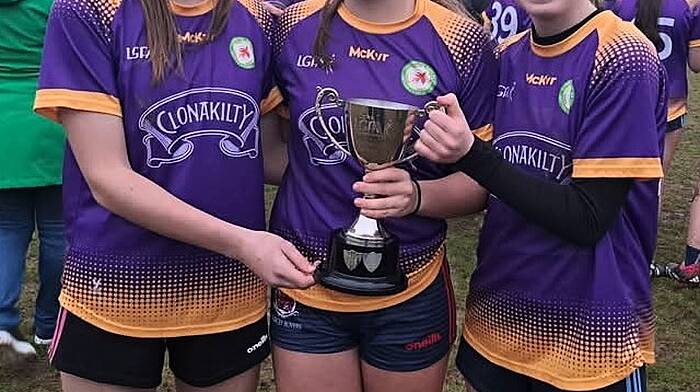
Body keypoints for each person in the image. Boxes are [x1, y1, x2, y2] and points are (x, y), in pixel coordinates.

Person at [359, 2, 666, 392]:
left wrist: (470, 154)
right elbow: (498, 184)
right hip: (496, 325)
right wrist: (421, 140)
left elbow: (588, 218)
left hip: (589, 344)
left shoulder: (623, 54)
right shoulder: (506, 56)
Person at [34, 0, 315, 390]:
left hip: (227, 290)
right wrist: (243, 243)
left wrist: (381, 170)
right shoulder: (88, 10)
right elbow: (107, 178)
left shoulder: (259, 18)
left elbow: (266, 154)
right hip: (115, 287)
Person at [267, 0, 497, 390]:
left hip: (411, 286)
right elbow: (273, 150)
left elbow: (480, 184)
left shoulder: (463, 40)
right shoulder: (292, 24)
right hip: (306, 283)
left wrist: (417, 196)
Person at [606, 0, 700, 284]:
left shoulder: (620, 3)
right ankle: (641, 258)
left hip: (624, 104)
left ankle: (611, 249)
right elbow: (696, 64)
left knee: (612, 176)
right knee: (652, 184)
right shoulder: (686, 7)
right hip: (669, 107)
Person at [0, 0, 66, 364]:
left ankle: (3, 322)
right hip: (52, 119)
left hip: (3, 129)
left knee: (7, 230)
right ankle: (50, 325)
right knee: (59, 233)